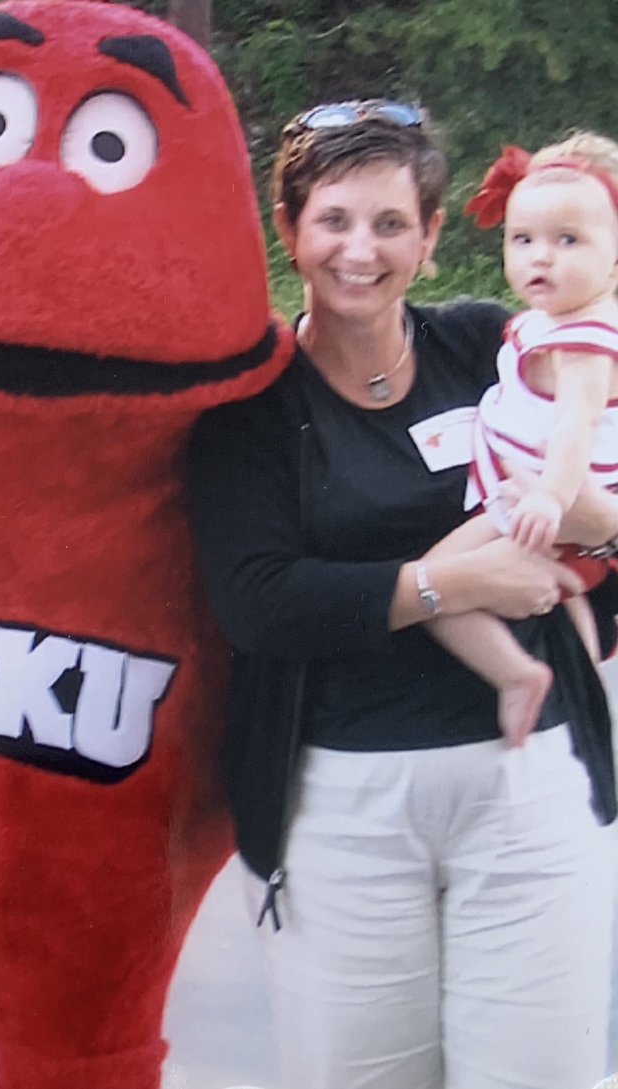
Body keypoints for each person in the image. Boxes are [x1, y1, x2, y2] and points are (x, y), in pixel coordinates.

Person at [187, 100, 618, 1089]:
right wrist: (447, 582)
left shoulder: (493, 347)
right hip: (342, 808)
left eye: (390, 224)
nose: (359, 250)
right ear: (288, 230)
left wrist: (592, 519)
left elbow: (598, 468)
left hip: (532, 791)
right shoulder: (247, 411)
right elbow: (259, 600)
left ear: (430, 240)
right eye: (333, 220)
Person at [415, 131, 618, 745]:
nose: (541, 258)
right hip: (542, 502)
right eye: (522, 239)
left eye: (567, 240)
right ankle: (584, 705)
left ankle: (515, 676)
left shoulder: (583, 343)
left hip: (538, 502)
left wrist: (549, 502)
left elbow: (575, 427)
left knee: (430, 580)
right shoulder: (546, 323)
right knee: (565, 602)